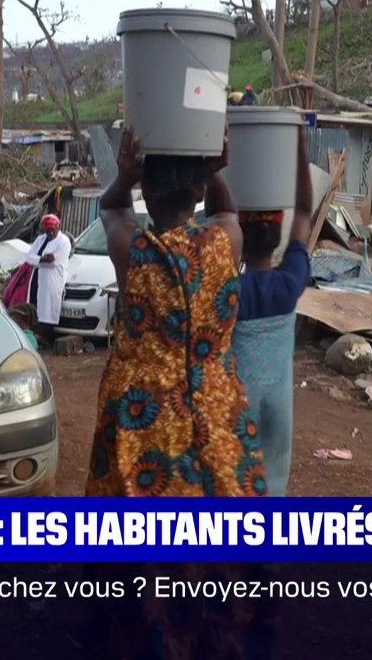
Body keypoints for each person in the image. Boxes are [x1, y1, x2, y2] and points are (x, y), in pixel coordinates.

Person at [85, 125, 265, 498]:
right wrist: (213, 171)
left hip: (141, 416)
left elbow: (112, 207)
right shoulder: (225, 244)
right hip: (214, 409)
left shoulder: (132, 249)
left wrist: (125, 177)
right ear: (199, 192)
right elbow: (227, 211)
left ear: (146, 194)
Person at [231, 131, 313, 497]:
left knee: (234, 477)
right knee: (274, 473)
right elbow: (306, 213)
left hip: (238, 402)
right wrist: (299, 151)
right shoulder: (288, 284)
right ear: (277, 237)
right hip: (279, 405)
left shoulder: (230, 293)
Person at [15, 214, 71, 333]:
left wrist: (41, 259)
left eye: (52, 230)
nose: (50, 233)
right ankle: (35, 331)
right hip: (37, 277)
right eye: (47, 231)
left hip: (52, 279)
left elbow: (55, 261)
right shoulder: (40, 239)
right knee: (35, 305)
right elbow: (29, 257)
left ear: (58, 228)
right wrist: (41, 259)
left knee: (48, 309)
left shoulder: (64, 241)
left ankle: (44, 335)